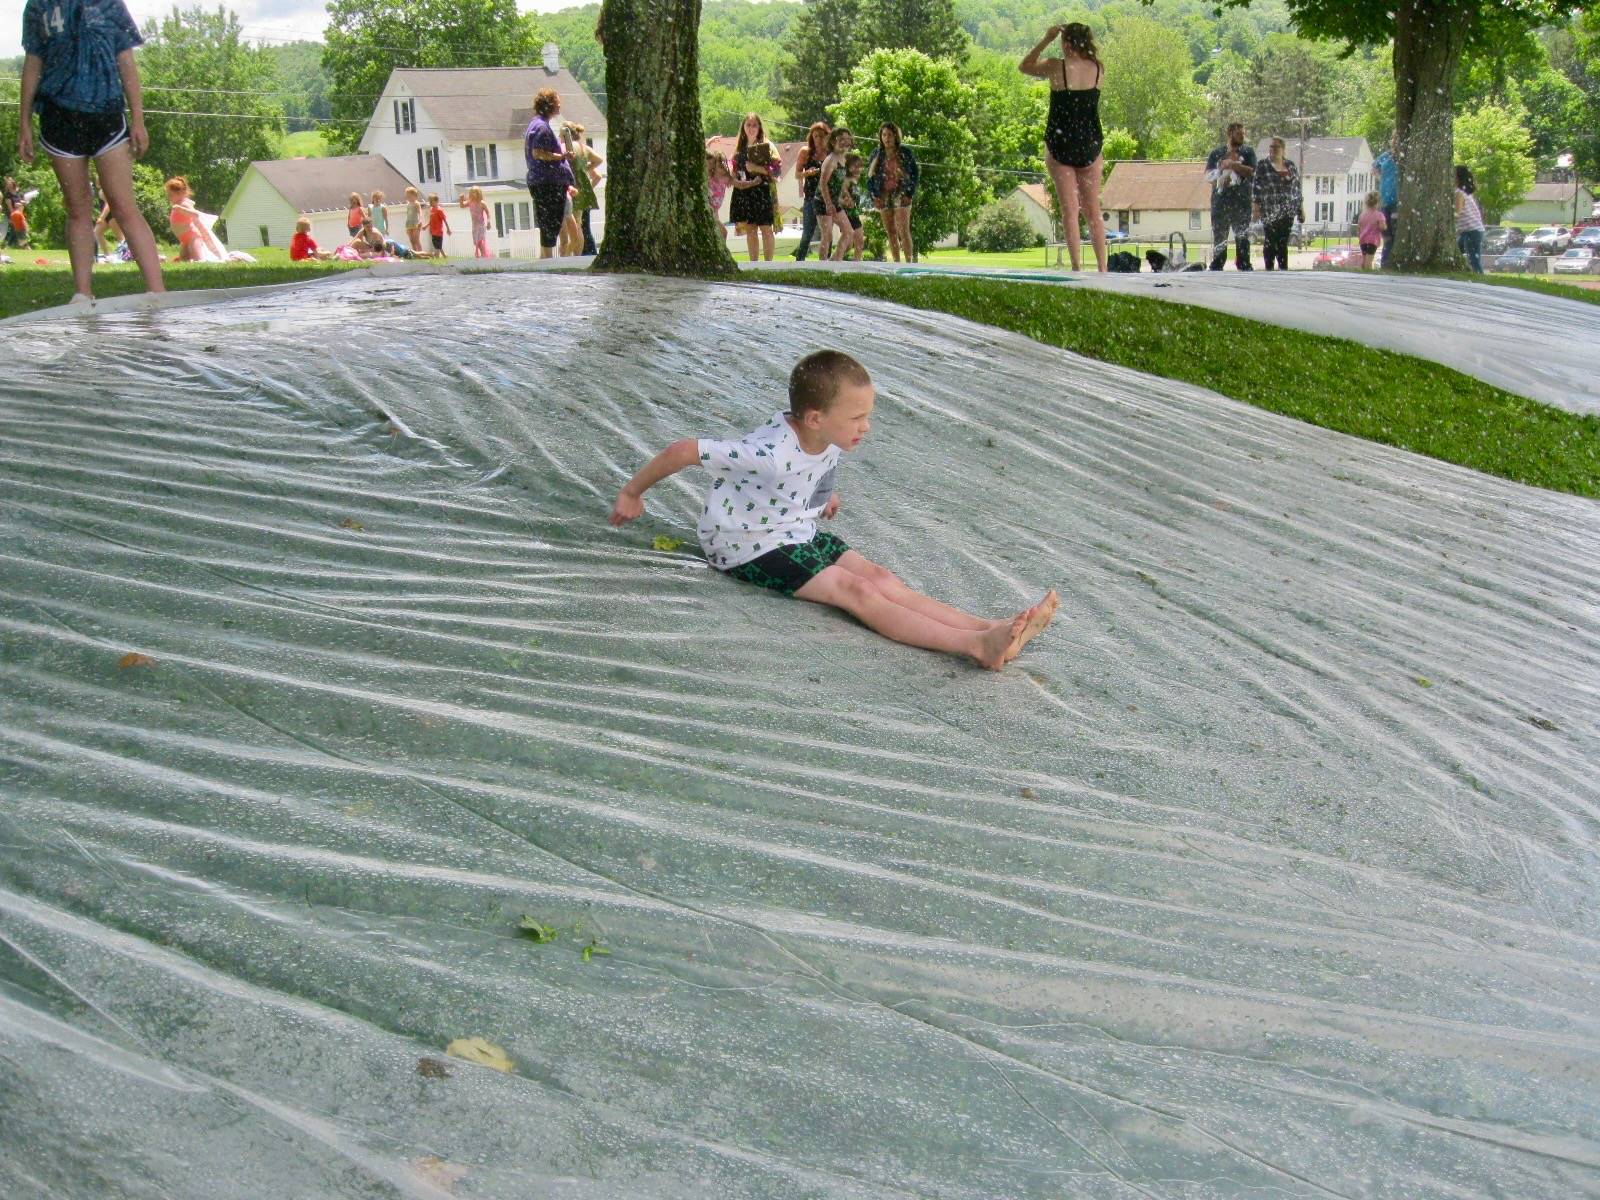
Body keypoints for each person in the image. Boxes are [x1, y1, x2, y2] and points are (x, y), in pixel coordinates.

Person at [607, 349, 1059, 671]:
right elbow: (684, 449)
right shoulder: (768, 452)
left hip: (794, 526)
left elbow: (819, 466)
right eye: (857, 417)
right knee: (854, 590)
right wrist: (632, 492)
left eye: (868, 414)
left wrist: (823, 498)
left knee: (878, 576)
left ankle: (995, 628)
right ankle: (976, 645)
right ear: (815, 418)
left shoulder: (827, 436)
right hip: (745, 545)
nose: (866, 426)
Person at [17, 0, 165, 304]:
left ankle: (157, 292)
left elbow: (126, 60)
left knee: (124, 206)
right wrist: (24, 124)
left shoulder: (108, 3)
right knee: (77, 208)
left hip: (107, 116)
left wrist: (138, 118)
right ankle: (82, 294)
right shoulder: (38, 7)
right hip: (59, 118)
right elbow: (33, 64)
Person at [1020, 21, 1107, 272]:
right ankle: (1103, 269)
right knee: (1094, 212)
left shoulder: (1055, 66)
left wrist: (1046, 38)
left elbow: (1024, 66)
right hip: (1090, 144)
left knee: (1070, 211)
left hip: (1061, 145)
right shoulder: (1098, 68)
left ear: (1066, 43)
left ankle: (1077, 268)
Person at [524, 87, 574, 261]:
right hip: (548, 183)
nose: (560, 106)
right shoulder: (542, 127)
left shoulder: (536, 124)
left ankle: (546, 259)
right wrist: (561, 156)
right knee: (549, 223)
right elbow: (538, 152)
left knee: (549, 223)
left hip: (542, 181)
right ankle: (547, 260)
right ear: (550, 105)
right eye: (558, 103)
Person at [730, 112, 780, 262]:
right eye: (748, 125)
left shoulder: (768, 146)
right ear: (743, 127)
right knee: (751, 230)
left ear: (759, 128)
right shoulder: (739, 149)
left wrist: (756, 168)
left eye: (754, 125)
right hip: (744, 193)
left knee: (766, 229)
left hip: (762, 191)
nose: (751, 128)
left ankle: (768, 265)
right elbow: (734, 172)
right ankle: (754, 265)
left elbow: (776, 172)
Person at [1206, 122, 1256, 270]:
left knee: (1242, 238)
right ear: (1229, 133)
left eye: (1243, 133)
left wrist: (1234, 165)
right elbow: (1208, 176)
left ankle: (1244, 264)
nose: (1242, 136)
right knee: (1219, 237)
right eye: (1239, 133)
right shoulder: (1216, 153)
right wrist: (1220, 177)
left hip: (1241, 203)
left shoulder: (1248, 152)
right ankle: (1217, 265)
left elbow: (1252, 172)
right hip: (1220, 203)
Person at [866, 123, 919, 262]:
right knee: (891, 232)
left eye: (889, 134)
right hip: (883, 195)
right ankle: (896, 263)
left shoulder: (905, 152)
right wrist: (874, 197)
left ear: (896, 135)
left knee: (904, 231)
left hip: (901, 193)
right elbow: (870, 178)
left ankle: (909, 263)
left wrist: (909, 194)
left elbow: (915, 173)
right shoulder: (876, 154)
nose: (887, 138)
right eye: (884, 135)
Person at [1252, 136, 1302, 271]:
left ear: (1283, 149)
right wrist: (1256, 208)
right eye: (1271, 147)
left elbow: (1296, 189)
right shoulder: (1263, 165)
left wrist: (1300, 209)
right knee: (1270, 240)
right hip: (1269, 210)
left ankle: (1283, 269)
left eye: (1276, 147)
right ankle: (1269, 268)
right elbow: (1256, 188)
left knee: (1282, 242)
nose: (1273, 150)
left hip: (1287, 212)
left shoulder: (1290, 166)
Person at [793, 121, 833, 262]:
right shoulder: (806, 152)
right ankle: (799, 262)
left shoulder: (831, 154)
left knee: (827, 233)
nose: (819, 139)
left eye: (822, 136)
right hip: (810, 197)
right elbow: (797, 174)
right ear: (812, 137)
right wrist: (807, 173)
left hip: (826, 198)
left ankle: (826, 263)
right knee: (808, 232)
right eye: (816, 136)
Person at [564, 122, 603, 256]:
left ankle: (568, 255)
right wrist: (585, 168)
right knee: (581, 226)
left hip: (571, 188)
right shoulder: (583, 147)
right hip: (582, 189)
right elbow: (599, 160)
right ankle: (580, 255)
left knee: (574, 227)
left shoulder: (566, 147)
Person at [166, 176, 224, 261]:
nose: (169, 197)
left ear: (180, 193)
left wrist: (182, 209)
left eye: (171, 195)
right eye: (168, 195)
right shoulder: (177, 205)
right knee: (184, 259)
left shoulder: (183, 204)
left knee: (199, 259)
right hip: (184, 239)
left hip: (193, 237)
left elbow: (195, 214)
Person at [819, 127, 854, 262]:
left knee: (848, 232)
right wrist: (828, 203)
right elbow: (823, 183)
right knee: (827, 235)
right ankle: (822, 266)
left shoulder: (844, 159)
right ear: (833, 142)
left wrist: (847, 197)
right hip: (823, 201)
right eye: (841, 140)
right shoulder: (831, 160)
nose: (845, 143)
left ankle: (835, 262)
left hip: (835, 201)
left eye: (848, 140)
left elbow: (841, 183)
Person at [1373, 131, 1399, 268]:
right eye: (1393, 138)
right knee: (1386, 235)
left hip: (1398, 202)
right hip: (1385, 201)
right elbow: (1374, 166)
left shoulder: (1405, 157)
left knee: (1395, 234)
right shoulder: (1386, 156)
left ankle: (1391, 263)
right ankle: (1386, 263)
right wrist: (1381, 178)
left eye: (1397, 139)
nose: (1394, 141)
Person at [1454, 164, 1486, 274]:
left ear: (1457, 178)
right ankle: (1463, 271)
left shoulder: (1459, 193)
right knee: (1456, 251)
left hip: (1471, 231)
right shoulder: (1465, 193)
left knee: (1474, 259)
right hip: (1470, 231)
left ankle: (1479, 277)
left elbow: (1456, 213)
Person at [1357, 190, 1386, 271]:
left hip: (1363, 239)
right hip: (1373, 240)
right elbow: (1382, 227)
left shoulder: (1362, 215)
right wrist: (1385, 226)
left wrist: (1359, 236)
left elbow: (1359, 228)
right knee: (1370, 260)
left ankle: (1363, 271)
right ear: (1377, 203)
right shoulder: (1379, 215)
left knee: (1364, 258)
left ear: (1366, 203)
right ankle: (1369, 274)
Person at [706, 149, 732, 238]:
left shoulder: (723, 177)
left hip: (715, 210)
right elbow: (706, 156)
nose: (710, 166)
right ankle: (722, 251)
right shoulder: (709, 176)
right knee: (723, 232)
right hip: (710, 208)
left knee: (718, 233)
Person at [461, 186, 491, 258]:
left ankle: (485, 255)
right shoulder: (470, 202)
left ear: (479, 194)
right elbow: (462, 206)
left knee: (480, 241)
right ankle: (482, 255)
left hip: (481, 225)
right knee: (476, 242)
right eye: (472, 193)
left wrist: (488, 222)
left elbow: (488, 213)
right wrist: (461, 199)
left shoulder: (482, 203)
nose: (473, 194)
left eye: (475, 193)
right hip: (474, 225)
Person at [403, 186, 424, 255]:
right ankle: (415, 254)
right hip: (409, 223)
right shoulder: (408, 204)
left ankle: (421, 253)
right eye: (407, 196)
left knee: (416, 239)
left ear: (414, 195)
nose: (408, 197)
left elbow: (420, 212)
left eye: (410, 196)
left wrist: (420, 220)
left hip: (416, 223)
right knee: (411, 240)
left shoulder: (416, 203)